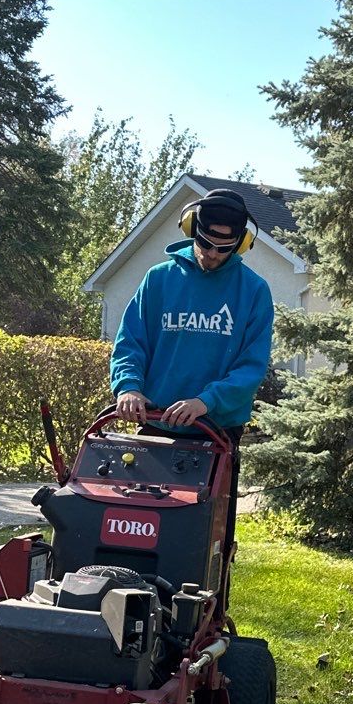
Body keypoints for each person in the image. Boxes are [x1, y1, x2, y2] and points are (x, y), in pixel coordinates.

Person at [109, 186, 274, 553]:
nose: (212, 254)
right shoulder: (158, 279)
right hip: (155, 427)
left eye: (223, 248)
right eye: (206, 243)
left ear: (241, 243)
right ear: (191, 228)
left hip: (215, 432)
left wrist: (205, 402)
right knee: (141, 533)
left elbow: (251, 366)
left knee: (205, 543)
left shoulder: (253, 292)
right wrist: (129, 386)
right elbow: (130, 342)